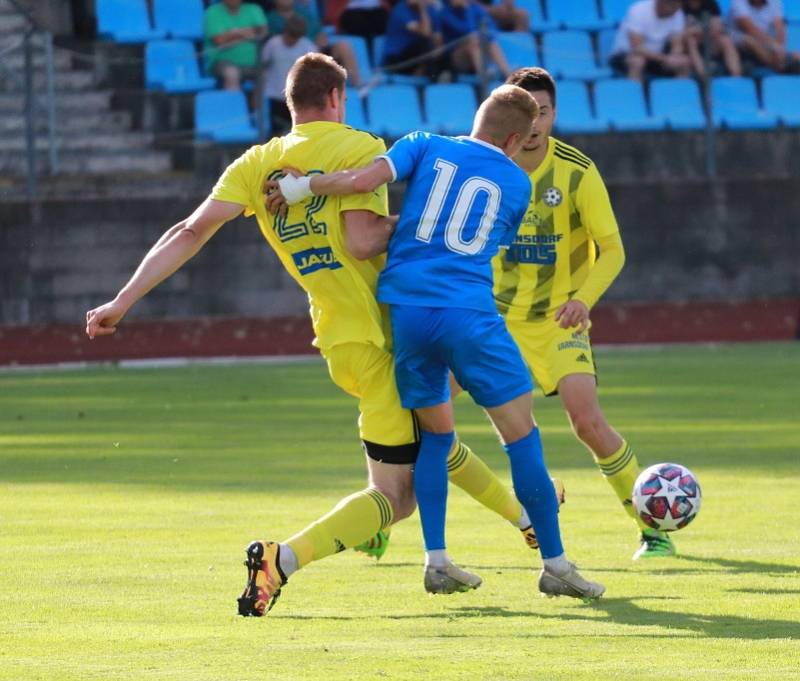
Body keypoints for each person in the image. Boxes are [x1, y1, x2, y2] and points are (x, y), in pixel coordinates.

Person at [85, 53, 540, 616]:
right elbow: (362, 241)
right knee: (396, 497)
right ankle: (283, 558)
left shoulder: (258, 162)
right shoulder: (357, 146)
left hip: (335, 336)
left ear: (290, 102)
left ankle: (524, 522)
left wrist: (122, 300)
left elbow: (190, 229)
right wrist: (438, 223)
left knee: (432, 435)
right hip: (382, 331)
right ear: (337, 98)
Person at [274, 85, 606, 600]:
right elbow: (486, 242)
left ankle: (437, 560)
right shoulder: (517, 184)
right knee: (521, 438)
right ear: (515, 138)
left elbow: (363, 180)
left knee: (435, 436)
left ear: (477, 120)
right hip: (468, 316)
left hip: (408, 315)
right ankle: (556, 565)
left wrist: (304, 188)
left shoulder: (424, 142)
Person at [485, 67, 674, 561]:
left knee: (586, 420)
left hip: (558, 319)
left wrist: (582, 300)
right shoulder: (486, 168)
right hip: (497, 317)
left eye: (544, 112)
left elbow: (612, 249)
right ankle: (383, 511)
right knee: (430, 409)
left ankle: (652, 527)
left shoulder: (577, 172)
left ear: (553, 114)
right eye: (527, 112)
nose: (535, 122)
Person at [264, 0, 362, 88]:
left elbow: (320, 34)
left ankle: (357, 86)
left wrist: (319, 42)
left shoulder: (304, 14)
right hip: (291, 58)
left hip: (315, 52)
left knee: (343, 46)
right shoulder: (269, 19)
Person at [610, 0, 692, 81]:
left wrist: (674, 56)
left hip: (657, 57)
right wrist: (665, 59)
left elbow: (677, 43)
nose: (675, 9)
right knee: (637, 62)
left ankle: (677, 93)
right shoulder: (638, 10)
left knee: (684, 62)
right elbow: (637, 48)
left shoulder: (677, 13)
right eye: (672, 5)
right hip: (625, 54)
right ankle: (633, 93)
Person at [261, 15, 316, 135]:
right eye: (290, 36)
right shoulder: (272, 44)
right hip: (275, 96)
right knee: (276, 133)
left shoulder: (308, 47)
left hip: (298, 98)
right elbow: (263, 65)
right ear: (284, 31)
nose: (292, 40)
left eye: (296, 38)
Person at [204, 0, 269, 91]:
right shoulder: (212, 12)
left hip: (254, 63)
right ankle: (233, 104)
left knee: (268, 74)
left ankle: (259, 105)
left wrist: (234, 32)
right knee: (232, 74)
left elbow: (262, 32)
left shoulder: (254, 9)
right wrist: (247, 33)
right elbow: (219, 40)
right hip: (222, 62)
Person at [439, 0, 512, 79]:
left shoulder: (474, 7)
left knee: (490, 42)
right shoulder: (445, 13)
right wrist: (467, 11)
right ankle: (484, 77)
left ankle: (507, 74)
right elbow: (467, 31)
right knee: (473, 43)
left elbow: (492, 27)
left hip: (476, 52)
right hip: (455, 57)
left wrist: (483, 36)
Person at [730, 0, 800, 72]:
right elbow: (749, 29)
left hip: (767, 43)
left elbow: (780, 29)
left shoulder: (775, 2)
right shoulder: (738, 2)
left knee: (796, 54)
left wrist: (778, 48)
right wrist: (774, 46)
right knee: (750, 41)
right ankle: (780, 67)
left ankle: (785, 61)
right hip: (741, 39)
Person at [382, 0, 444, 78]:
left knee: (442, 50)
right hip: (397, 59)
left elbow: (438, 38)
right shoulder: (400, 10)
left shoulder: (431, 10)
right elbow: (425, 33)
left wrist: (437, 50)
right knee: (423, 42)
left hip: (420, 58)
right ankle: (435, 77)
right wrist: (422, 9)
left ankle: (439, 76)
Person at [682, 0, 743, 76]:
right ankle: (703, 75)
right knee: (691, 41)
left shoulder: (710, 3)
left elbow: (717, 27)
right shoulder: (681, 5)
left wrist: (697, 30)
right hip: (687, 44)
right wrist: (705, 28)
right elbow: (682, 31)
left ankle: (736, 76)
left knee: (725, 41)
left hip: (708, 40)